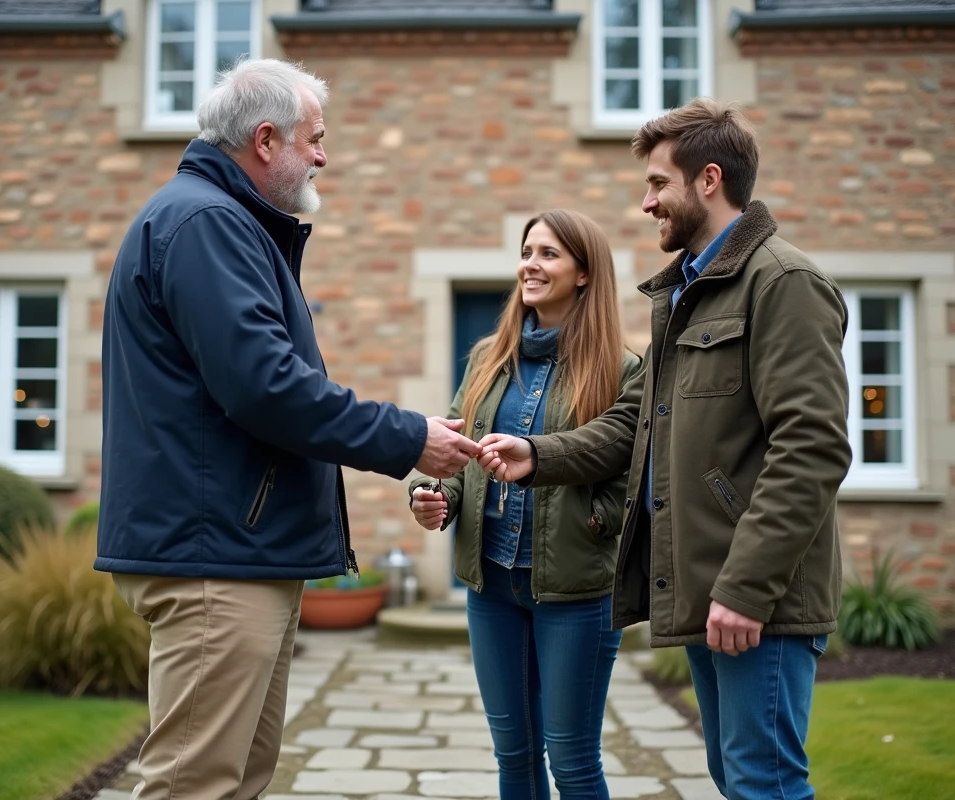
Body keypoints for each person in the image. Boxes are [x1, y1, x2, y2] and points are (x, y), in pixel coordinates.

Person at [95, 58, 479, 800]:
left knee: (237, 781)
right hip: (216, 558)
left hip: (235, 552)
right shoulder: (207, 224)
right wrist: (408, 439)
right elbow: (267, 388)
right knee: (194, 785)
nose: (324, 156)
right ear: (265, 139)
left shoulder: (215, 221)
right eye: (315, 139)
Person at [476, 98, 852, 800]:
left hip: (756, 597)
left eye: (657, 183)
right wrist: (538, 455)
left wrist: (746, 588)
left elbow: (812, 449)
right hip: (712, 590)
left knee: (762, 782)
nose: (646, 202)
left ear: (708, 180)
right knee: (733, 776)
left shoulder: (784, 283)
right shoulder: (690, 293)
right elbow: (634, 427)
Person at [408, 209, 642, 800]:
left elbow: (626, 472)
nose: (529, 265)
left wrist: (597, 522)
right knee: (513, 756)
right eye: (526, 251)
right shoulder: (489, 355)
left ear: (584, 273)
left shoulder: (620, 368)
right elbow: (459, 450)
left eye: (548, 254)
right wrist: (433, 494)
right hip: (492, 586)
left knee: (572, 760)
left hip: (575, 591)